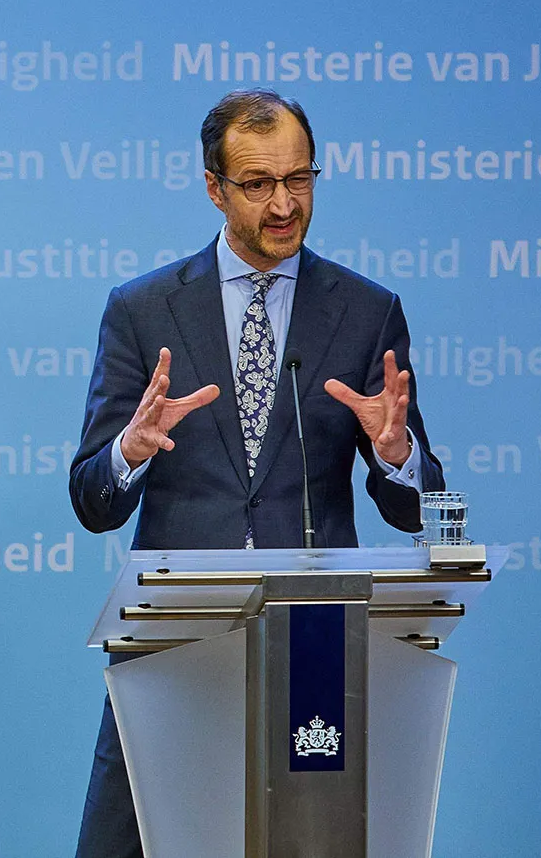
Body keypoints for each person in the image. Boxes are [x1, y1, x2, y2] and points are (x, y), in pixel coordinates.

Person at [67, 89, 445, 858]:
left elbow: (416, 503)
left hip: (314, 647)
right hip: (172, 645)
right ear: (214, 187)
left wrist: (395, 453)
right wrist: (130, 450)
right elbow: (92, 499)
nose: (283, 203)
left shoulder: (366, 310)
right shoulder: (143, 310)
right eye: (258, 183)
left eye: (299, 178)